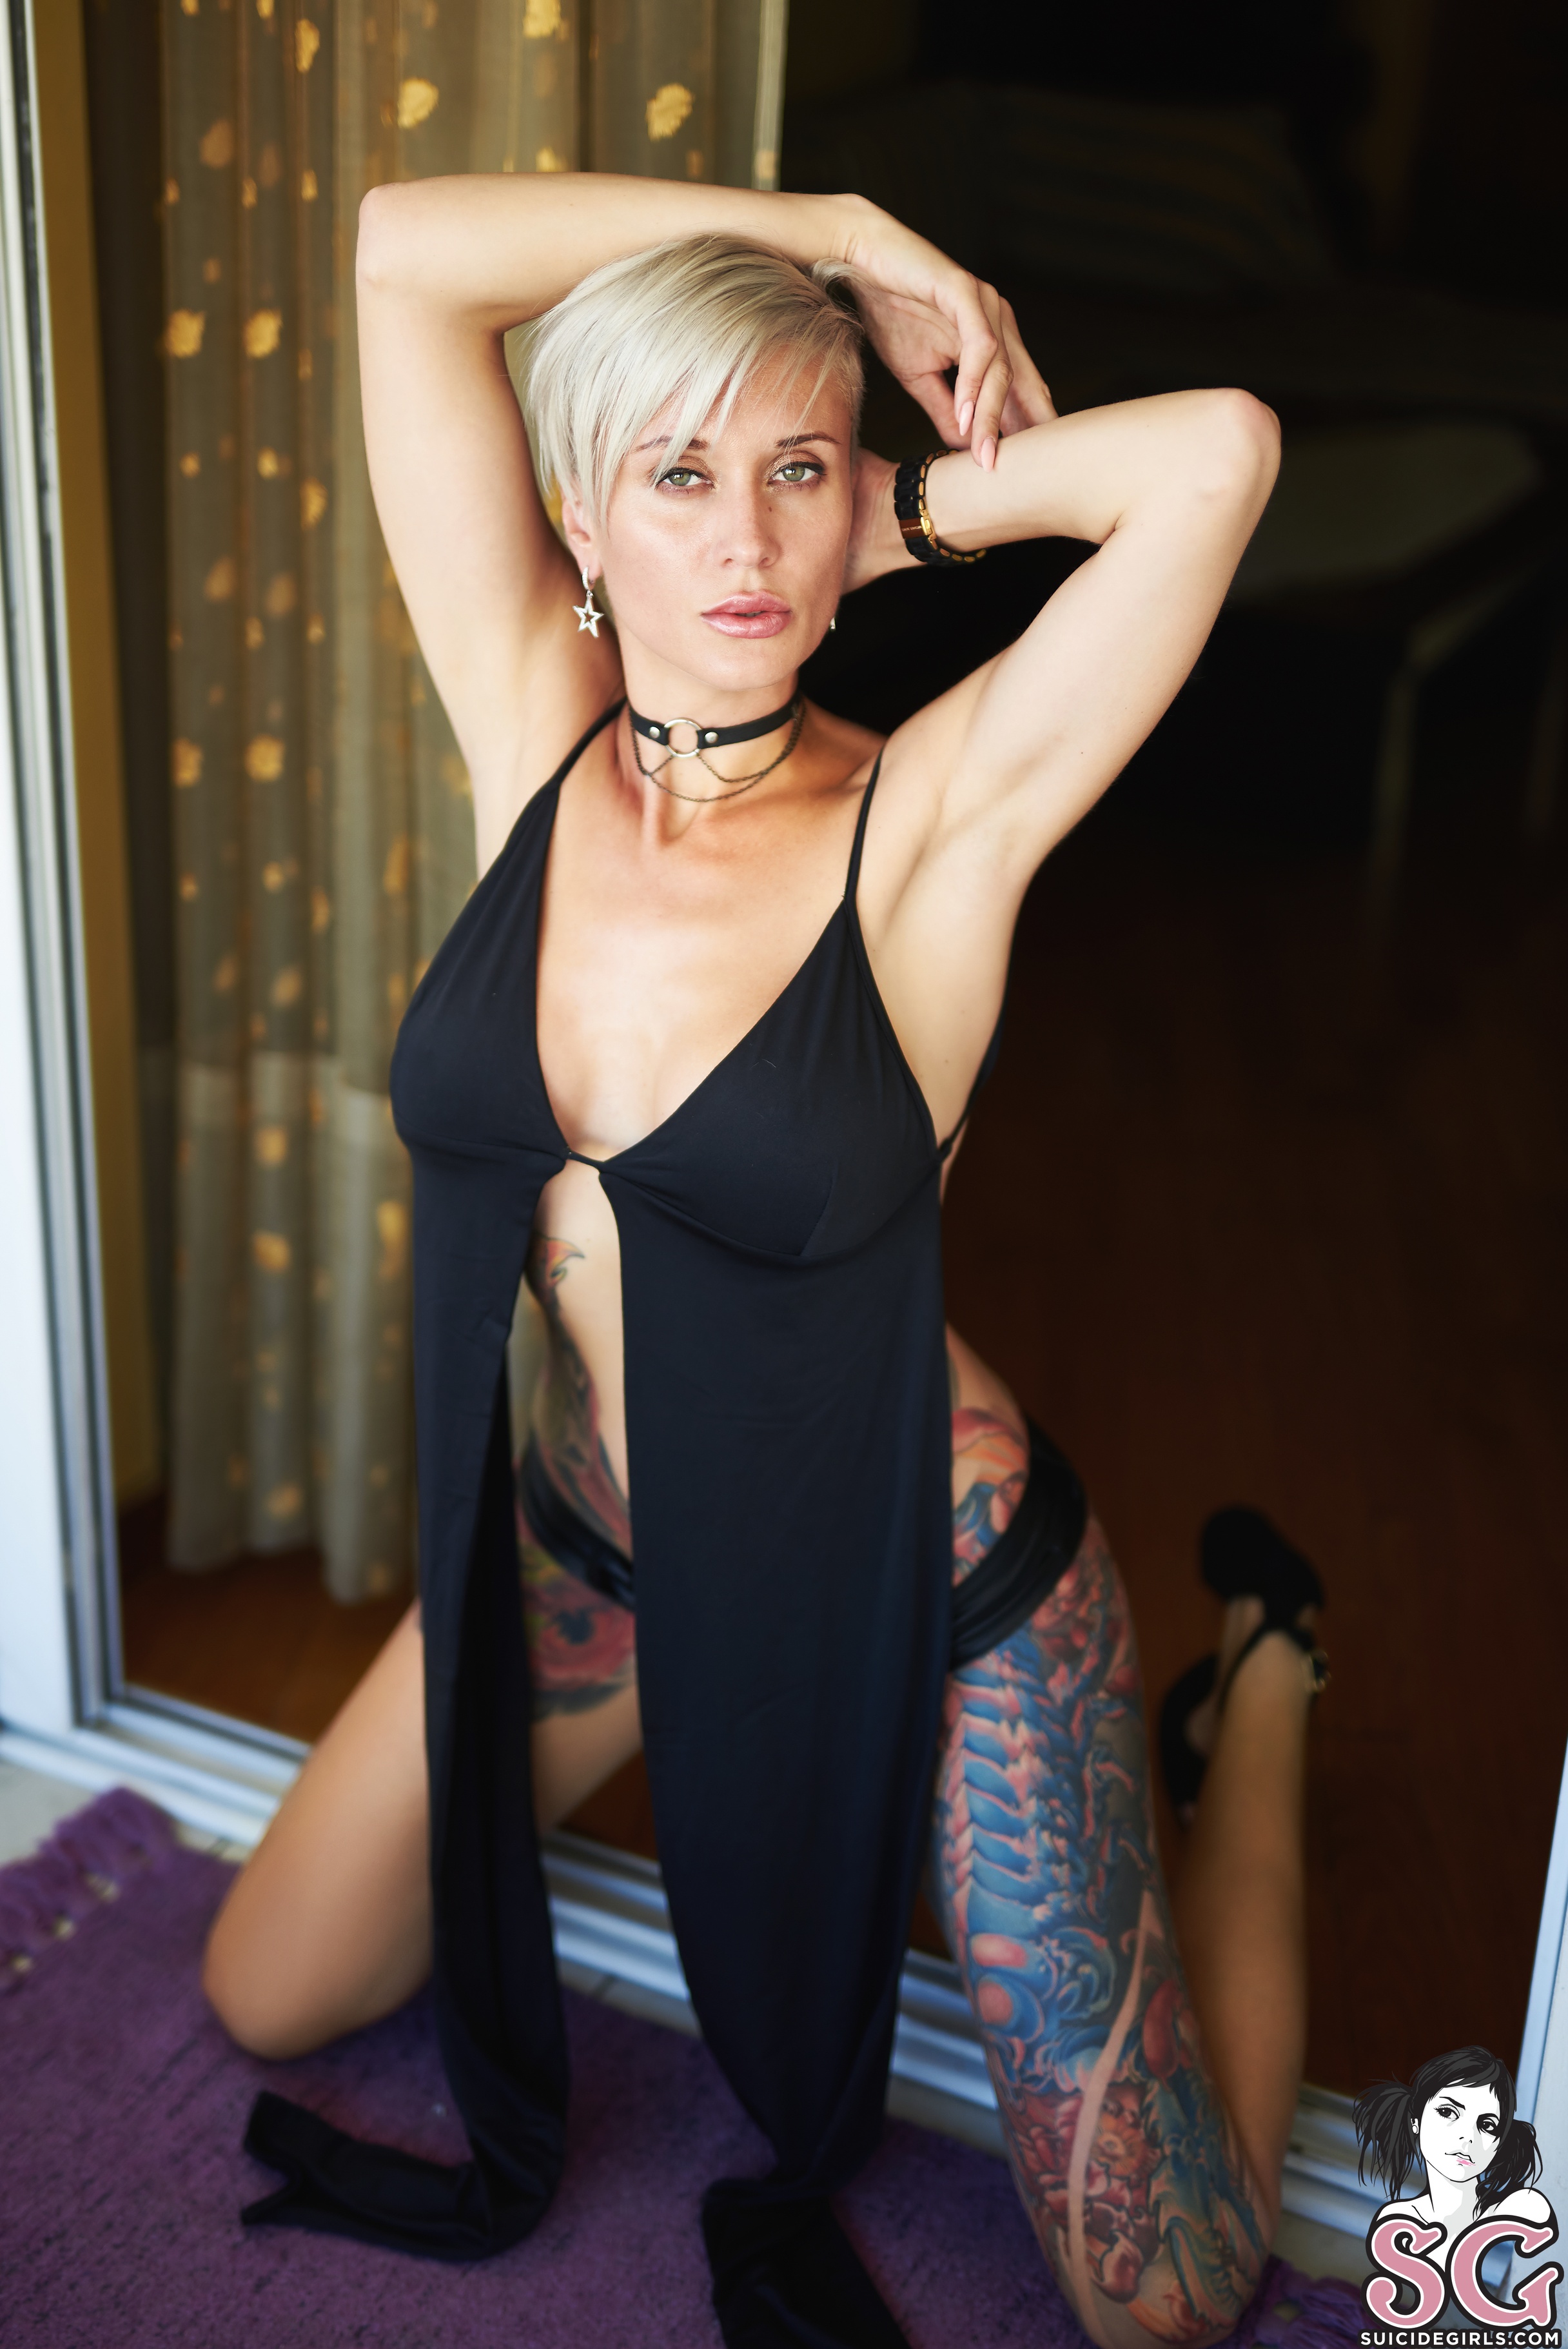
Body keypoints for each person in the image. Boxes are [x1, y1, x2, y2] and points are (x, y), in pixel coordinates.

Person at [201, 171, 1330, 2349]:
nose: (742, 539)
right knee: (270, 1984)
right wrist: (835, 229)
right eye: (682, 476)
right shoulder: (530, 723)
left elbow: (1218, 455)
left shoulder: (927, 822)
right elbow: (401, 253)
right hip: (618, 1534)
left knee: (1174, 2298)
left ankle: (1263, 1684)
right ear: (578, 517)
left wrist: (887, 508)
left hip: (927, 1573)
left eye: (796, 475)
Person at [1356, 2049, 1550, 2278]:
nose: (1468, 2137)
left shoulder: (1523, 2208)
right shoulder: (1397, 2220)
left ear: (1500, 2144)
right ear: (1415, 2121)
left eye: (1487, 2125)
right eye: (1448, 2112)